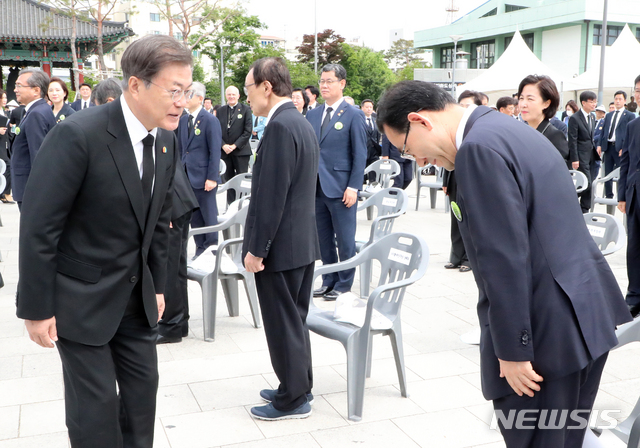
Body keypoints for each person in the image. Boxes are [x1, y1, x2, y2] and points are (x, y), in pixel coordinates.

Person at [377, 79, 631, 448]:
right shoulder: (506, 128)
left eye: (407, 149)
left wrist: (513, 351)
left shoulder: (478, 149)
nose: (418, 161)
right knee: (566, 437)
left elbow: (504, 258)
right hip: (582, 317)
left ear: (420, 121)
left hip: (545, 335)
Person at [16, 34, 192, 448]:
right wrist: (36, 309)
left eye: (186, 90)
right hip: (81, 299)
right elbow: (40, 227)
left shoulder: (165, 140)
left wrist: (159, 284)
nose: (181, 101)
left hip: (137, 300)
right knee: (94, 415)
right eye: (174, 90)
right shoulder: (78, 135)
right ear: (136, 85)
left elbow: (159, 221)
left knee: (141, 400)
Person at [242, 56, 320, 421]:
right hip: (300, 242)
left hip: (282, 246)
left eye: (248, 88)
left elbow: (271, 196)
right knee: (294, 318)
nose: (247, 97)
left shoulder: (279, 127)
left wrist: (258, 249)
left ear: (266, 87)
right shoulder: (299, 122)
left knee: (282, 322)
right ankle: (298, 383)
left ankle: (292, 399)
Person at [306, 63, 367, 301]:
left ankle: (344, 284)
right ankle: (328, 279)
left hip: (342, 188)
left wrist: (353, 186)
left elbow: (360, 154)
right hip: (317, 187)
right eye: (322, 81)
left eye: (329, 81)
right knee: (323, 239)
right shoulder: (312, 114)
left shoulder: (354, 114)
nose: (324, 85)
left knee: (345, 239)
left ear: (342, 84)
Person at [177, 81, 222, 259]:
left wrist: (212, 177)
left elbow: (215, 150)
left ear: (200, 98)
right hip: (187, 176)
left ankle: (211, 249)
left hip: (204, 177)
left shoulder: (210, 120)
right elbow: (182, 149)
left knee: (208, 214)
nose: (185, 98)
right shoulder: (183, 120)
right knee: (195, 216)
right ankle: (200, 248)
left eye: (189, 94)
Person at [11, 68, 56, 210]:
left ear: (36, 90)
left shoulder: (36, 113)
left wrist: (39, 191)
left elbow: (38, 155)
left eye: (19, 85)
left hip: (30, 189)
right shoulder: (37, 110)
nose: (15, 89)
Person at [618, 75, 640, 318]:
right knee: (634, 247)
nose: (639, 94)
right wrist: (622, 195)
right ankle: (634, 296)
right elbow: (625, 161)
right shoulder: (633, 125)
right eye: (637, 90)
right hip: (635, 193)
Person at [517, 75, 569, 167]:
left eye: (530, 99)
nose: (523, 104)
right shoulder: (520, 133)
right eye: (521, 98)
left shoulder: (555, 137)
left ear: (546, 103)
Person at [217, 86, 252, 203]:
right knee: (229, 181)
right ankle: (230, 205)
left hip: (240, 151)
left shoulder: (246, 109)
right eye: (229, 94)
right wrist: (223, 145)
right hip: (225, 152)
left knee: (242, 180)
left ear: (238, 96)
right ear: (226, 96)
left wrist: (234, 145)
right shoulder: (221, 111)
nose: (231, 97)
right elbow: (216, 131)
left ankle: (242, 204)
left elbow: (247, 131)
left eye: (233, 94)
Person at [598, 90, 634, 199]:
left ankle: (621, 197)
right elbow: (603, 131)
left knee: (621, 173)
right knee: (607, 173)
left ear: (625, 101)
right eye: (616, 99)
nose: (617, 101)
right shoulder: (609, 115)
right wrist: (599, 145)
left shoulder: (629, 115)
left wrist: (625, 148)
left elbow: (631, 134)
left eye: (620, 99)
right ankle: (608, 196)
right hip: (608, 147)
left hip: (620, 149)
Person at [568, 91, 600, 212]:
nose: (594, 104)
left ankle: (584, 209)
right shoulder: (575, 118)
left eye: (595, 101)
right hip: (580, 156)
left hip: (591, 154)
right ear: (583, 103)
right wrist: (575, 158)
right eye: (591, 102)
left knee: (590, 182)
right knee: (587, 183)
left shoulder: (592, 116)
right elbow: (572, 140)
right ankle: (577, 206)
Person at [361, 99, 381, 180]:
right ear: (362, 108)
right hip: (363, 150)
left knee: (374, 173)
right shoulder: (359, 120)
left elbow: (377, 135)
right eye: (367, 107)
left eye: (371, 107)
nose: (369, 109)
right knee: (362, 174)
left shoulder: (375, 120)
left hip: (374, 152)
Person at [0, 89, 13, 204]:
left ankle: (4, 193)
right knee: (7, 166)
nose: (4, 100)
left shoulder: (5, 112)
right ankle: (4, 193)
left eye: (5, 98)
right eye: (2, 98)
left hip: (5, 143)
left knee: (7, 166)